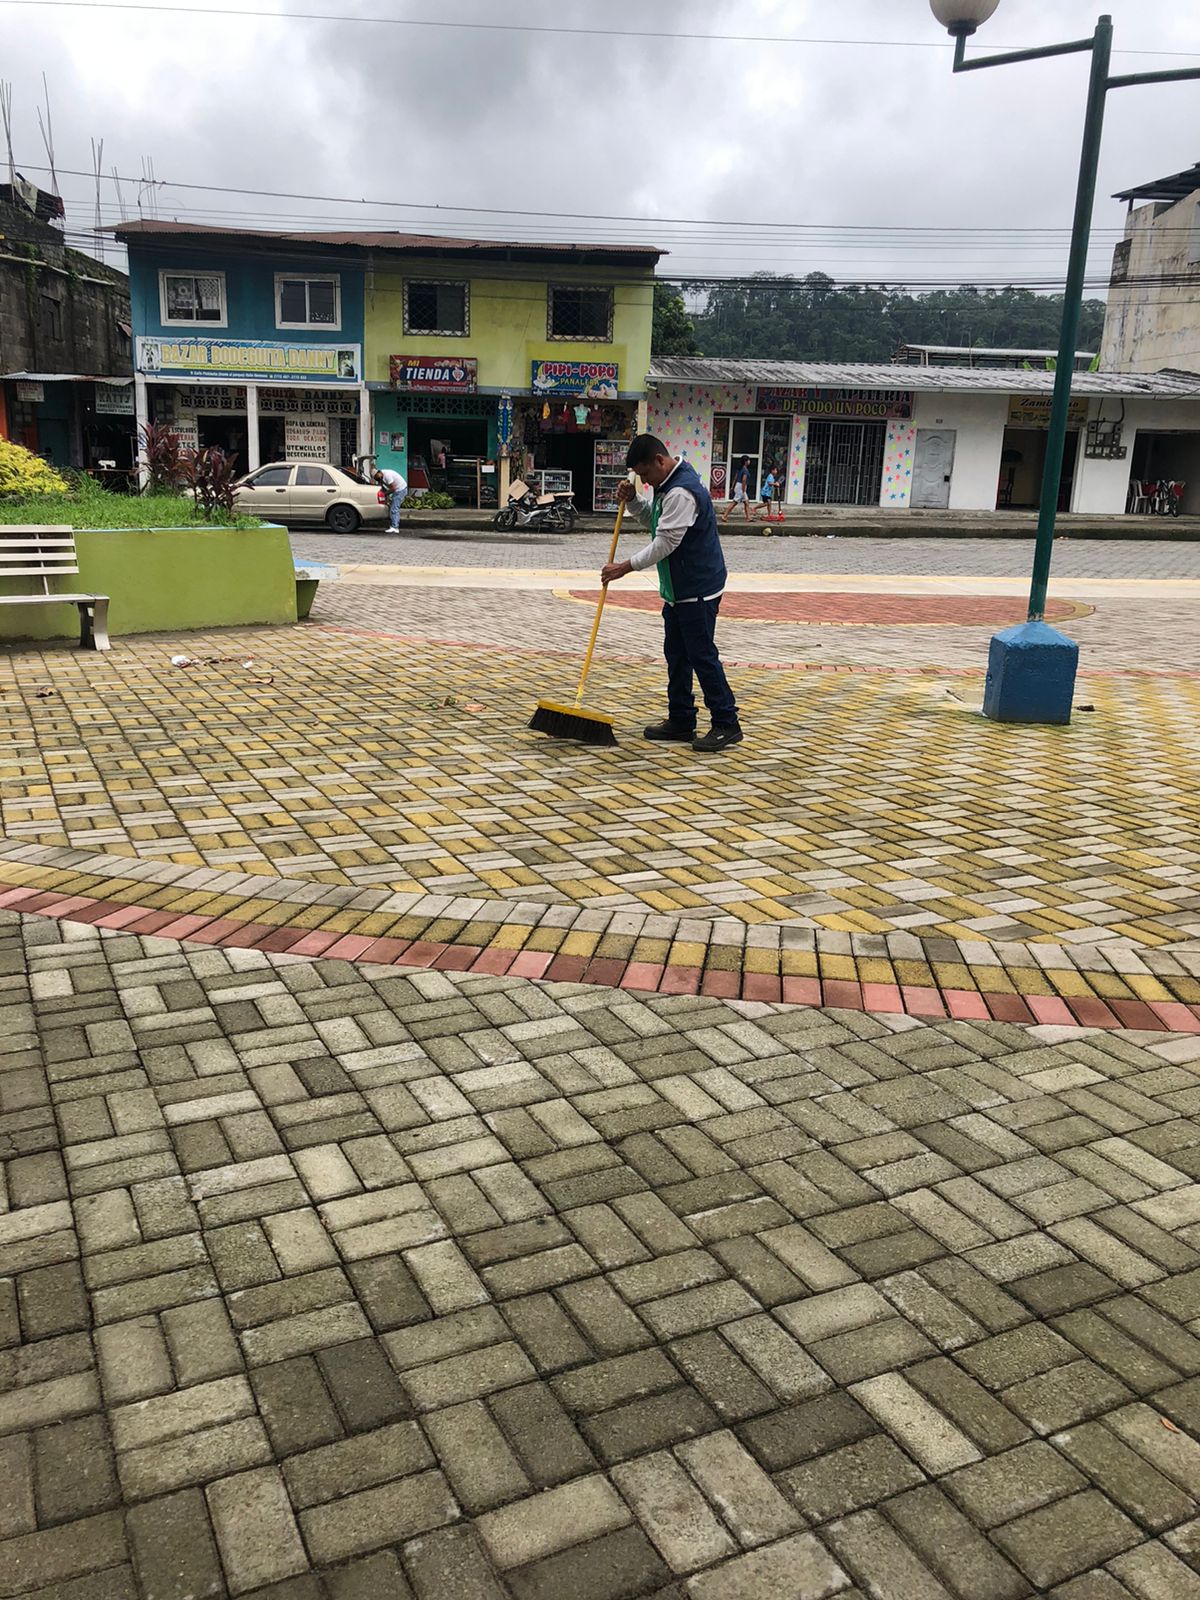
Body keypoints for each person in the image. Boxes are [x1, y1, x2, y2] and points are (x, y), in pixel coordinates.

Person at [602, 434, 742, 753]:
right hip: (678, 590)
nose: (645, 481)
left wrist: (624, 567)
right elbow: (656, 522)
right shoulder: (667, 484)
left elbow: (665, 542)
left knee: (701, 655)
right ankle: (681, 719)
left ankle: (726, 722)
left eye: (645, 474)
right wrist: (634, 500)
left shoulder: (681, 491)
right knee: (677, 655)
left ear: (659, 461)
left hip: (697, 589)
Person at [373, 466, 407, 531]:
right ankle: (394, 526)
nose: (377, 479)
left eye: (377, 477)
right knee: (394, 508)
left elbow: (393, 489)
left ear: (379, 472)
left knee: (394, 508)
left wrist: (384, 495)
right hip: (398, 489)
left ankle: (395, 527)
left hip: (400, 489)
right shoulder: (381, 476)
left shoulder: (387, 475)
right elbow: (382, 487)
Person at [720, 455, 752, 524]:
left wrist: (732, 487)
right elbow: (744, 480)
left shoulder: (740, 468)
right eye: (748, 460)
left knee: (746, 502)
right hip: (741, 487)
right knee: (735, 502)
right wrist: (743, 490)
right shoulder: (745, 470)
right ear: (746, 461)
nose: (749, 461)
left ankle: (748, 517)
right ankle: (724, 516)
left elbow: (735, 478)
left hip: (738, 486)